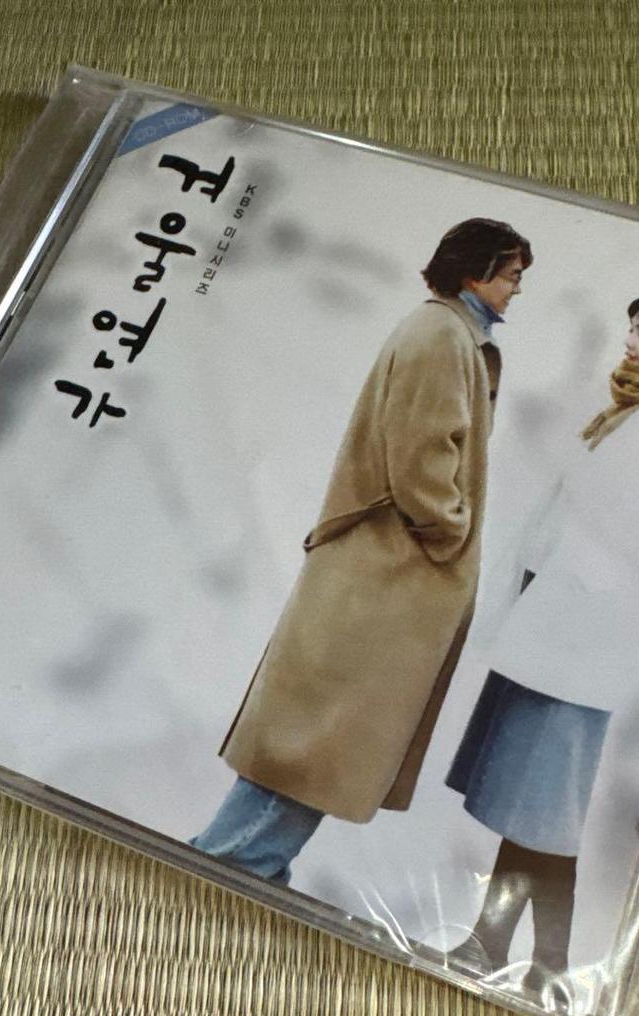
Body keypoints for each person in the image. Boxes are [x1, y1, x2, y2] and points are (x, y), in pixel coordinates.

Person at [190, 218, 533, 884]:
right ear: (475, 271)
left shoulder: (447, 334)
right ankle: (229, 874)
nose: (517, 290)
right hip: (386, 575)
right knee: (314, 746)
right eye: (512, 275)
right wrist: (450, 532)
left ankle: (240, 868)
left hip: (384, 571)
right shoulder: (440, 337)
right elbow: (421, 458)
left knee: (317, 745)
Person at [444, 293, 639, 1001]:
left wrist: (588, 567)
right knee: (536, 805)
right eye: (632, 327)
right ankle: (528, 957)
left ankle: (523, 955)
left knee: (544, 810)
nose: (630, 340)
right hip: (559, 634)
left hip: (582, 642)